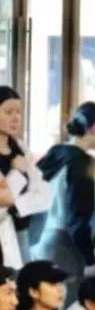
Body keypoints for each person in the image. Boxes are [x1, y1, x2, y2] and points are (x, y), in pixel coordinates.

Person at [35, 102, 95, 305]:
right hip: (67, 247)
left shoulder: (54, 154)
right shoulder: (82, 163)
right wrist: (90, 260)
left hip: (41, 241)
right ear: (94, 129)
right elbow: (78, 218)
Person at [0, 88, 50, 263]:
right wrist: (17, 173)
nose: (15, 118)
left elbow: (43, 195)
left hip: (21, 232)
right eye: (8, 112)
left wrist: (15, 205)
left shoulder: (20, 148)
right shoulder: (19, 161)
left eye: (18, 112)